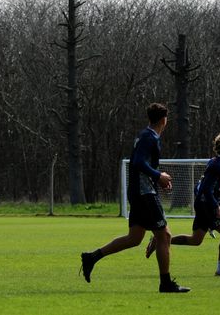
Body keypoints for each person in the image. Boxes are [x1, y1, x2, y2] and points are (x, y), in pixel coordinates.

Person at [80, 102, 190, 293]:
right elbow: (138, 163)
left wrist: (159, 178)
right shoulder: (150, 137)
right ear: (164, 120)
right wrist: (158, 176)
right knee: (165, 236)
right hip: (145, 194)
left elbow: (141, 165)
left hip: (140, 192)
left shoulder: (145, 135)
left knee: (134, 238)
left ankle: (92, 257)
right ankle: (165, 283)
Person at [155, 130, 220, 276]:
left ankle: (160, 241)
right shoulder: (217, 165)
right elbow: (206, 189)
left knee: (196, 240)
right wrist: (216, 208)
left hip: (203, 203)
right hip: (206, 204)